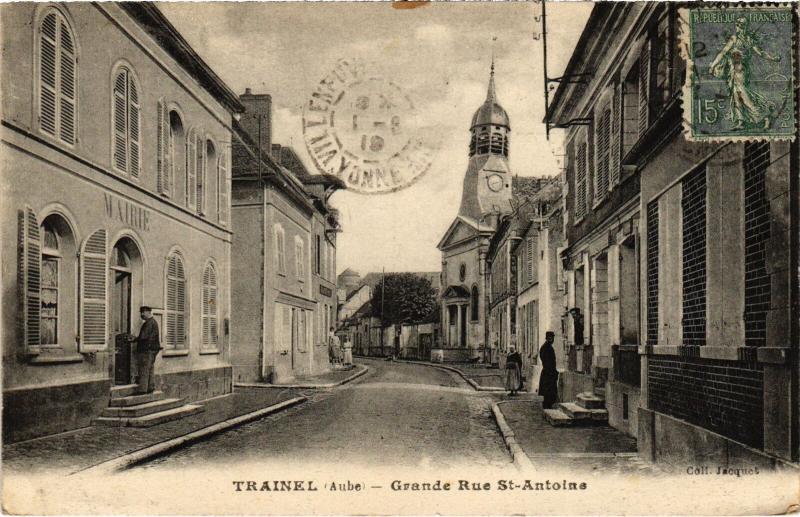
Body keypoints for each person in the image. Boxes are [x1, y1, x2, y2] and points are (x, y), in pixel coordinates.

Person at [709, 16, 781, 130]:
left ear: (744, 27)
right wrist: (713, 65)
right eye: (737, 24)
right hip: (733, 71)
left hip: (741, 71)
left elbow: (760, 52)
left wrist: (772, 58)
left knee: (744, 96)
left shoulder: (748, 40)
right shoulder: (734, 39)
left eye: (741, 25)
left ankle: (766, 116)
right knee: (736, 96)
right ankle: (741, 121)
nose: (738, 27)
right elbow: (723, 53)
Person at [129, 306, 161, 394]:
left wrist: (134, 339)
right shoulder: (152, 322)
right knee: (150, 368)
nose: (142, 314)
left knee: (144, 369)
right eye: (141, 312)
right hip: (152, 349)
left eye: (143, 312)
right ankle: (150, 387)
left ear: (149, 312)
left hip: (147, 350)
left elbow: (144, 337)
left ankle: (142, 390)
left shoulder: (149, 323)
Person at [538, 331, 559, 409]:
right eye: (552, 337)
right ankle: (547, 407)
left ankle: (547, 406)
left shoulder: (546, 346)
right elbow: (548, 361)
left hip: (548, 372)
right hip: (548, 373)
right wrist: (552, 372)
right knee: (549, 392)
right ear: (549, 338)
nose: (553, 339)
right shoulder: (547, 347)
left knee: (548, 392)